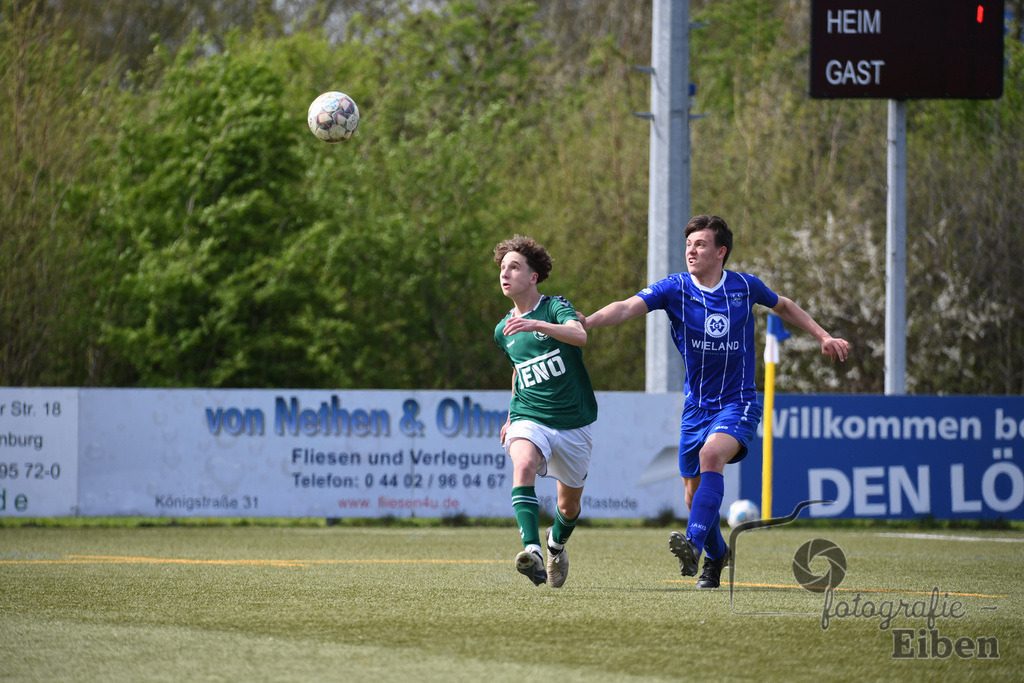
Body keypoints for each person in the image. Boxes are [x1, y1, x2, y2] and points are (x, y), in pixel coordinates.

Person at [577, 215, 849, 589]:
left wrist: (822, 335)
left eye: (700, 244)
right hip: (696, 407)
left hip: (738, 400)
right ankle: (718, 554)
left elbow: (783, 305)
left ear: (721, 252)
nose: (691, 250)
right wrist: (588, 322)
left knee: (711, 457)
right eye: (688, 244)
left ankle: (693, 542)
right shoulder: (674, 289)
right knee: (692, 497)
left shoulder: (743, 286)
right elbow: (626, 307)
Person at [494, 235, 599, 588]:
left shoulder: (555, 307)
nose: (505, 274)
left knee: (568, 508)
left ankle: (555, 545)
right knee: (522, 463)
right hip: (529, 416)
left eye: (514, 267)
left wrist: (536, 324)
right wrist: (511, 416)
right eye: (502, 268)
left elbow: (579, 335)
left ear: (533, 276)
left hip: (573, 423)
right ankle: (532, 550)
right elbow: (517, 371)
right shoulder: (502, 329)